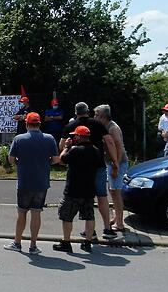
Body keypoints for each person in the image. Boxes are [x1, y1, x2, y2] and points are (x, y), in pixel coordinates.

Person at [4, 112, 60, 254]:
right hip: (41, 182)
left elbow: (11, 159)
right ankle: (33, 245)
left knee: (21, 212)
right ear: (40, 124)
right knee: (36, 213)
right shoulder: (49, 139)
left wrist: (19, 162)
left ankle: (17, 243)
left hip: (24, 181)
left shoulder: (19, 139)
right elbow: (55, 159)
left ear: (26, 123)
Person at [61, 102, 119, 241]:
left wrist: (66, 150)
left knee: (84, 198)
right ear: (88, 111)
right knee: (102, 196)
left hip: (78, 169)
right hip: (98, 165)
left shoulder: (70, 126)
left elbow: (62, 145)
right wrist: (115, 161)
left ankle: (89, 233)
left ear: (75, 112)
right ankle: (107, 228)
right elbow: (109, 141)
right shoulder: (98, 124)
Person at [53, 126, 99, 253]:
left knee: (67, 217)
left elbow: (62, 160)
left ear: (78, 137)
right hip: (89, 190)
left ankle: (66, 243)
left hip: (73, 190)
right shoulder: (95, 150)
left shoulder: (75, 150)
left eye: (74, 136)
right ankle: (88, 243)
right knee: (89, 216)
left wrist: (66, 147)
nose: (73, 138)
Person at [93, 104, 128, 232]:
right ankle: (116, 217)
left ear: (103, 116)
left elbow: (118, 147)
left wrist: (116, 166)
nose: (95, 117)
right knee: (112, 190)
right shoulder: (104, 127)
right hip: (111, 162)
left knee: (116, 191)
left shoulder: (112, 128)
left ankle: (119, 223)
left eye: (97, 115)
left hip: (118, 162)